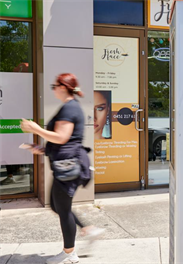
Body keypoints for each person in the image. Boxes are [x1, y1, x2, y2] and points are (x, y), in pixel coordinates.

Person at [20, 73, 104, 264]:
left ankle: (69, 253)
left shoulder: (70, 108)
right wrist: (42, 149)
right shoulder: (69, 107)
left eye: (54, 86)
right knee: (57, 205)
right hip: (65, 164)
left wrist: (34, 128)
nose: (53, 89)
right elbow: (64, 141)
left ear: (63, 87)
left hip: (68, 167)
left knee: (62, 208)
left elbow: (62, 137)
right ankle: (88, 230)